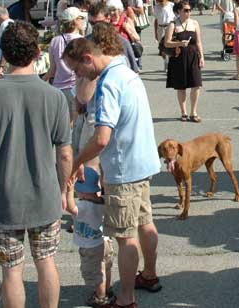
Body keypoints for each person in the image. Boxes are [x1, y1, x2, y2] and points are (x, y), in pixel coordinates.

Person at [0, 21, 72, 308]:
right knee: (46, 263)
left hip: (3, 201)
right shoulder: (54, 96)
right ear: (36, 53)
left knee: (11, 271)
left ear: (4, 54)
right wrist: (65, 189)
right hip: (44, 197)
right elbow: (65, 154)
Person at [64, 34, 163, 308]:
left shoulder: (108, 82)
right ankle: (150, 275)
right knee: (144, 221)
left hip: (124, 169)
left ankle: (126, 298)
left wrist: (76, 162)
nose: (79, 76)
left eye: (77, 70)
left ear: (88, 58)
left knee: (124, 236)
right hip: (142, 161)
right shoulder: (128, 73)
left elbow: (101, 138)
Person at [66, 166, 116, 308]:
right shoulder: (103, 201)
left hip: (90, 246)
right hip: (106, 242)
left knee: (95, 272)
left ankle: (100, 297)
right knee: (106, 267)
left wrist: (68, 191)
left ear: (79, 189)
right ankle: (108, 289)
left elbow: (70, 208)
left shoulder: (83, 206)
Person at [42, 7, 87, 124]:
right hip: (75, 86)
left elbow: (52, 69)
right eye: (81, 18)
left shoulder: (55, 40)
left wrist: (43, 81)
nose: (83, 20)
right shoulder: (81, 41)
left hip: (58, 87)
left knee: (62, 124)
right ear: (74, 21)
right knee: (75, 124)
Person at [164, 0, 205, 123]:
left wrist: (202, 57)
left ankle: (194, 111)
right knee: (181, 87)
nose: (188, 12)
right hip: (178, 58)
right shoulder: (173, 25)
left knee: (196, 84)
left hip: (193, 56)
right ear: (178, 11)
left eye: (189, 10)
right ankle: (184, 112)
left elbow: (198, 42)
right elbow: (167, 43)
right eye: (185, 10)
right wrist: (180, 43)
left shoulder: (194, 23)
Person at [86, 2, 139, 73]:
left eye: (98, 23)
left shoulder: (121, 42)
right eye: (92, 23)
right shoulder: (85, 42)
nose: (95, 27)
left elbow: (134, 71)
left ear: (108, 19)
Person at [153, 0, 175, 72]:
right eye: (159, 0)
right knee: (162, 48)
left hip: (169, 27)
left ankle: (170, 63)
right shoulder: (156, 7)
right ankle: (165, 60)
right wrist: (155, 32)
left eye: (161, 0)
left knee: (169, 46)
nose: (160, 2)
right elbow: (156, 20)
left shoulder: (171, 6)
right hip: (160, 28)